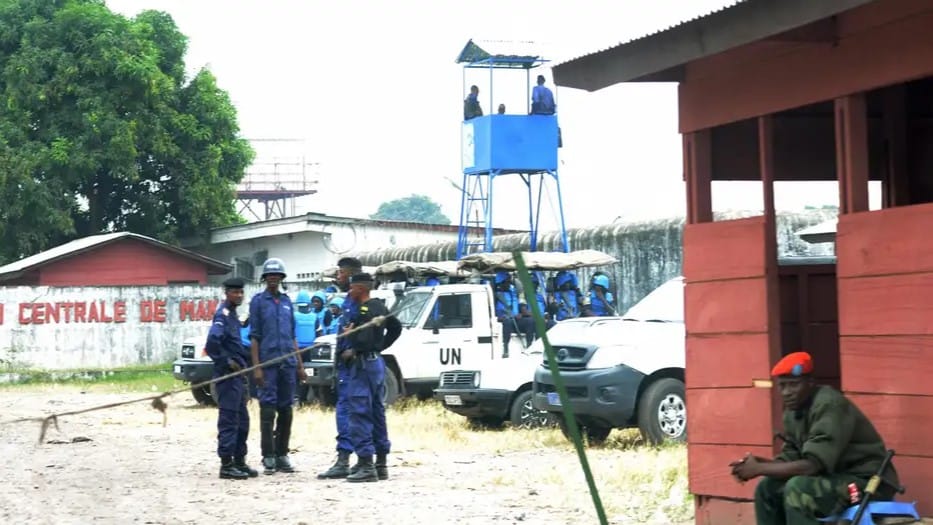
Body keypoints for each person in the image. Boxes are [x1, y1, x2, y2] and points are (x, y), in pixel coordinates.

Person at [731, 351, 900, 525]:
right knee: (767, 488)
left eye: (793, 385)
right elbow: (793, 458)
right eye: (782, 386)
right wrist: (762, 464)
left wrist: (759, 468)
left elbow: (812, 465)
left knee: (798, 489)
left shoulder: (829, 405)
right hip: (833, 479)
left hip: (867, 482)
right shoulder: (793, 411)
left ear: (810, 383)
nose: (786, 392)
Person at [249, 258, 307, 475]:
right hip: (268, 364)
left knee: (286, 410)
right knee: (268, 409)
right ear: (264, 278)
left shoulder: (286, 302)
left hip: (288, 364)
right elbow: (255, 337)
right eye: (269, 276)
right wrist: (257, 368)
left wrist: (300, 366)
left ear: (282, 278)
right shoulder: (258, 302)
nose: (273, 279)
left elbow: (293, 337)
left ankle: (283, 454)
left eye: (277, 276)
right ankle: (269, 455)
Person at [342, 272, 402, 482]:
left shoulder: (365, 310)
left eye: (352, 288)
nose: (350, 292)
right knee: (377, 412)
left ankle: (366, 464)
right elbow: (396, 327)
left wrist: (352, 340)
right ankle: (380, 464)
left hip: (364, 364)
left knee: (360, 411)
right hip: (376, 363)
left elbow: (365, 339)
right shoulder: (380, 307)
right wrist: (381, 347)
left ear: (360, 288)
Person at [205, 277, 257, 480]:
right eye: (235, 292)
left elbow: (234, 344)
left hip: (238, 376)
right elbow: (212, 344)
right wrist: (227, 362)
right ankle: (226, 465)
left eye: (241, 292)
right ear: (227, 293)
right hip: (227, 377)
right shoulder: (223, 315)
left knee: (242, 420)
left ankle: (239, 461)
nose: (239, 295)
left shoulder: (234, 315)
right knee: (229, 419)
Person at [317, 257, 363, 479]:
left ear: (351, 275)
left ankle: (346, 459)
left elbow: (367, 332)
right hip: (343, 366)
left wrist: (354, 350)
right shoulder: (346, 300)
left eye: (341, 273)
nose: (338, 276)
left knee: (347, 411)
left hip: (354, 367)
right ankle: (360, 460)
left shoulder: (359, 302)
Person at [493, 271, 534, 358]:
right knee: (507, 322)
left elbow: (520, 304)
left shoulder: (512, 293)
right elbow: (492, 315)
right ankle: (505, 349)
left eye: (509, 282)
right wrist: (501, 318)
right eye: (506, 282)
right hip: (504, 321)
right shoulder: (495, 296)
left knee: (530, 321)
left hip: (516, 320)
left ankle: (529, 345)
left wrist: (520, 314)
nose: (509, 284)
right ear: (501, 283)